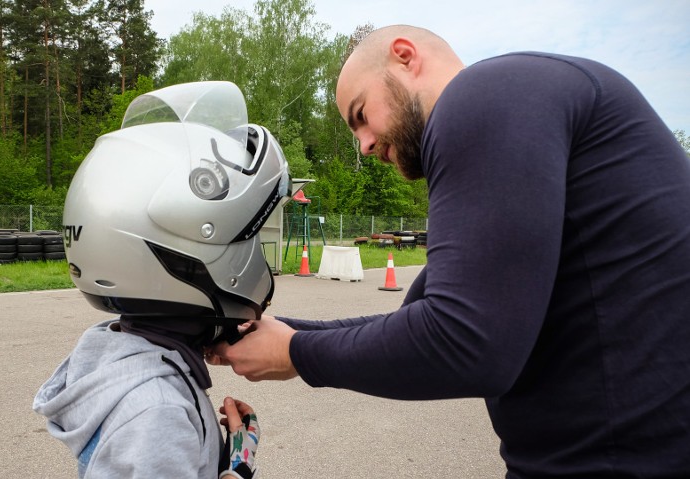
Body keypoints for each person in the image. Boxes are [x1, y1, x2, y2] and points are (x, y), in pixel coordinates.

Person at [210, 25, 690, 477]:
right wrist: (287, 332)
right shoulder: (518, 112)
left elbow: (463, 342)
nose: (366, 144)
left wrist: (295, 353)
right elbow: (416, 320)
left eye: (361, 115)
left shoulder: (485, 94)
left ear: (404, 57)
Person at [33, 81, 289, 478]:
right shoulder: (159, 413)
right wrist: (240, 472)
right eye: (250, 235)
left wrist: (230, 459)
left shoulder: (120, 359)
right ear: (200, 243)